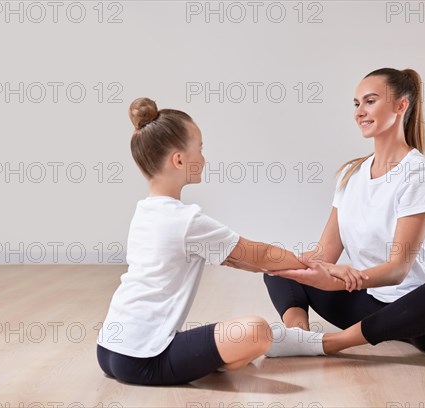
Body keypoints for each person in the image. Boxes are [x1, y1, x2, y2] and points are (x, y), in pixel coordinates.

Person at [96, 97, 310, 385]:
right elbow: (257, 255)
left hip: (109, 348)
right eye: (200, 149)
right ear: (179, 159)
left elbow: (236, 259)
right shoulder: (185, 220)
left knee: (241, 341)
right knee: (258, 331)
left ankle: (214, 359)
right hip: (144, 358)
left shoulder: (146, 212)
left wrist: (280, 268)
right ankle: (219, 360)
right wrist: (312, 265)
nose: (204, 158)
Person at [262, 68, 425, 357]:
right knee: (281, 266)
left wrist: (348, 277)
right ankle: (297, 336)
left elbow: (398, 269)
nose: (359, 111)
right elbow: (323, 256)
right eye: (356, 103)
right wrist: (271, 259)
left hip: (424, 316)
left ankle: (329, 344)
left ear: (401, 106)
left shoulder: (420, 172)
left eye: (370, 101)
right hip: (371, 306)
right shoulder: (352, 174)